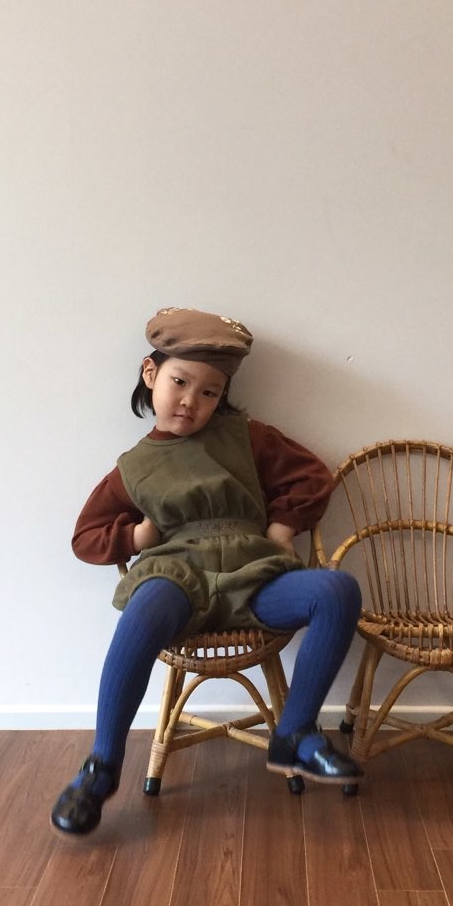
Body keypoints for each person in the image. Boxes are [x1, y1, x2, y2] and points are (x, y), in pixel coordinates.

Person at [50, 307, 363, 836]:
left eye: (209, 392)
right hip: (179, 576)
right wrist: (137, 537)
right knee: (144, 609)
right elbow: (86, 536)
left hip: (254, 572)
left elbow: (312, 475)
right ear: (151, 373)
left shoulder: (245, 437)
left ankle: (296, 734)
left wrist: (283, 526)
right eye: (179, 382)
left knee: (336, 590)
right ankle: (101, 767)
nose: (190, 401)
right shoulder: (133, 467)